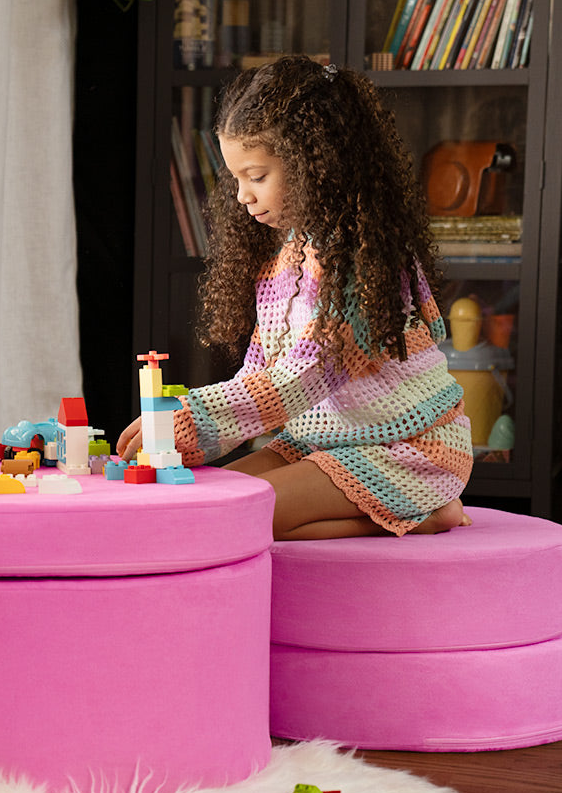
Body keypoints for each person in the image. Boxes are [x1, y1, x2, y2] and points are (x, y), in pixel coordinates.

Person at [117, 55, 472, 541]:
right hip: (321, 441)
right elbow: (258, 374)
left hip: (407, 448)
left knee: (237, 518)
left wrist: (194, 418)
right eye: (236, 179)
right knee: (206, 503)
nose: (242, 195)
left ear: (314, 164)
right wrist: (189, 437)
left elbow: (302, 376)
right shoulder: (285, 257)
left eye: (257, 176)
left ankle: (428, 512)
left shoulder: (359, 261)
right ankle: (401, 511)